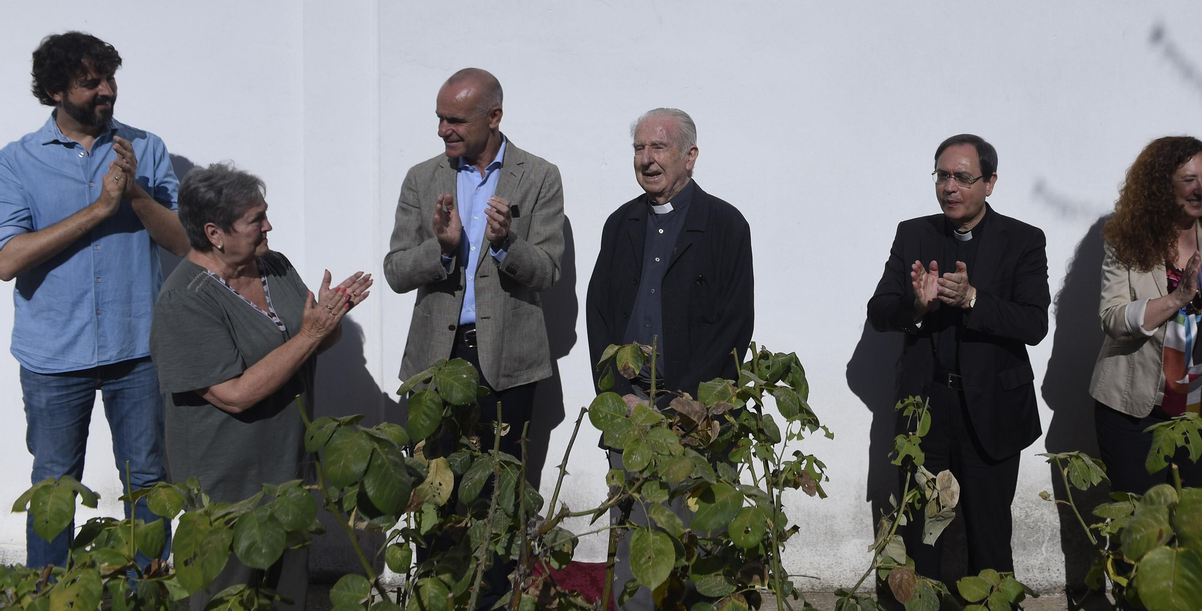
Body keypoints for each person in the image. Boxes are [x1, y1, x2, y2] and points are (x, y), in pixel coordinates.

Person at [0, 32, 189, 567]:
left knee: (148, 481)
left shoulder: (144, 148)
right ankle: (48, 595)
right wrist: (101, 209)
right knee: (55, 485)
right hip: (54, 356)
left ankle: (145, 595)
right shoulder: (17, 161)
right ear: (56, 91)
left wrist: (134, 194)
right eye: (91, 83)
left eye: (110, 80)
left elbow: (181, 242)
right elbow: (8, 259)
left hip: (137, 349)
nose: (107, 91)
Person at [150, 164, 370, 610]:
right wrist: (309, 335)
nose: (268, 225)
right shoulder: (184, 300)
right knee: (225, 597)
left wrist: (328, 317)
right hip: (228, 489)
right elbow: (234, 394)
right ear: (215, 233)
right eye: (256, 219)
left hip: (287, 473)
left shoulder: (274, 265)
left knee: (285, 596)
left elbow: (319, 337)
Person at [586, 108, 754, 611]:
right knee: (640, 547)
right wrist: (618, 396)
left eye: (658, 148)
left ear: (690, 157)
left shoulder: (724, 224)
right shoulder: (621, 224)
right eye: (639, 148)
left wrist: (685, 401)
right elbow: (599, 316)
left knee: (701, 546)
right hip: (632, 414)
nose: (646, 159)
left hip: (698, 414)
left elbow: (734, 325)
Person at [867, 134, 1049, 580]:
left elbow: (1034, 324)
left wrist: (972, 300)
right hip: (927, 411)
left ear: (989, 183)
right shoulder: (914, 233)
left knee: (989, 538)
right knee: (925, 536)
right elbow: (878, 312)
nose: (950, 187)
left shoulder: (1023, 240)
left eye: (963, 177)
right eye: (943, 175)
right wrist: (917, 307)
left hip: (992, 410)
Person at [385, 68, 564, 458]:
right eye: (439, 118)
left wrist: (505, 244)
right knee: (437, 490)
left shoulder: (540, 177)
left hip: (508, 364)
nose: (442, 130)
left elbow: (548, 271)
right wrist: (443, 249)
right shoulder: (421, 178)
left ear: (494, 117)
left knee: (498, 491)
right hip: (435, 359)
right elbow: (396, 272)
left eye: (455, 120)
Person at [1089, 136, 1202, 494]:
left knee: (1197, 529)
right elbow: (1113, 318)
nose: (1201, 190)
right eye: (1189, 180)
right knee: (1139, 529)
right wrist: (1176, 298)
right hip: (1134, 412)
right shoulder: (1127, 241)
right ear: (1161, 187)